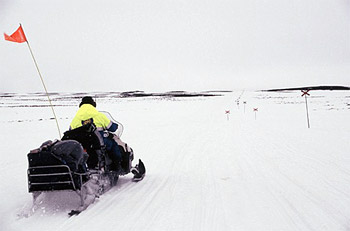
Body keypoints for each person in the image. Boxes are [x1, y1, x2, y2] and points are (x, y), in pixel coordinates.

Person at [70, 96, 122, 172]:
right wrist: (114, 125)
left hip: (82, 145)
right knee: (113, 145)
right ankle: (117, 165)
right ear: (93, 105)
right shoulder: (98, 115)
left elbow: (70, 131)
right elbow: (112, 128)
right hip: (99, 142)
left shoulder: (76, 118)